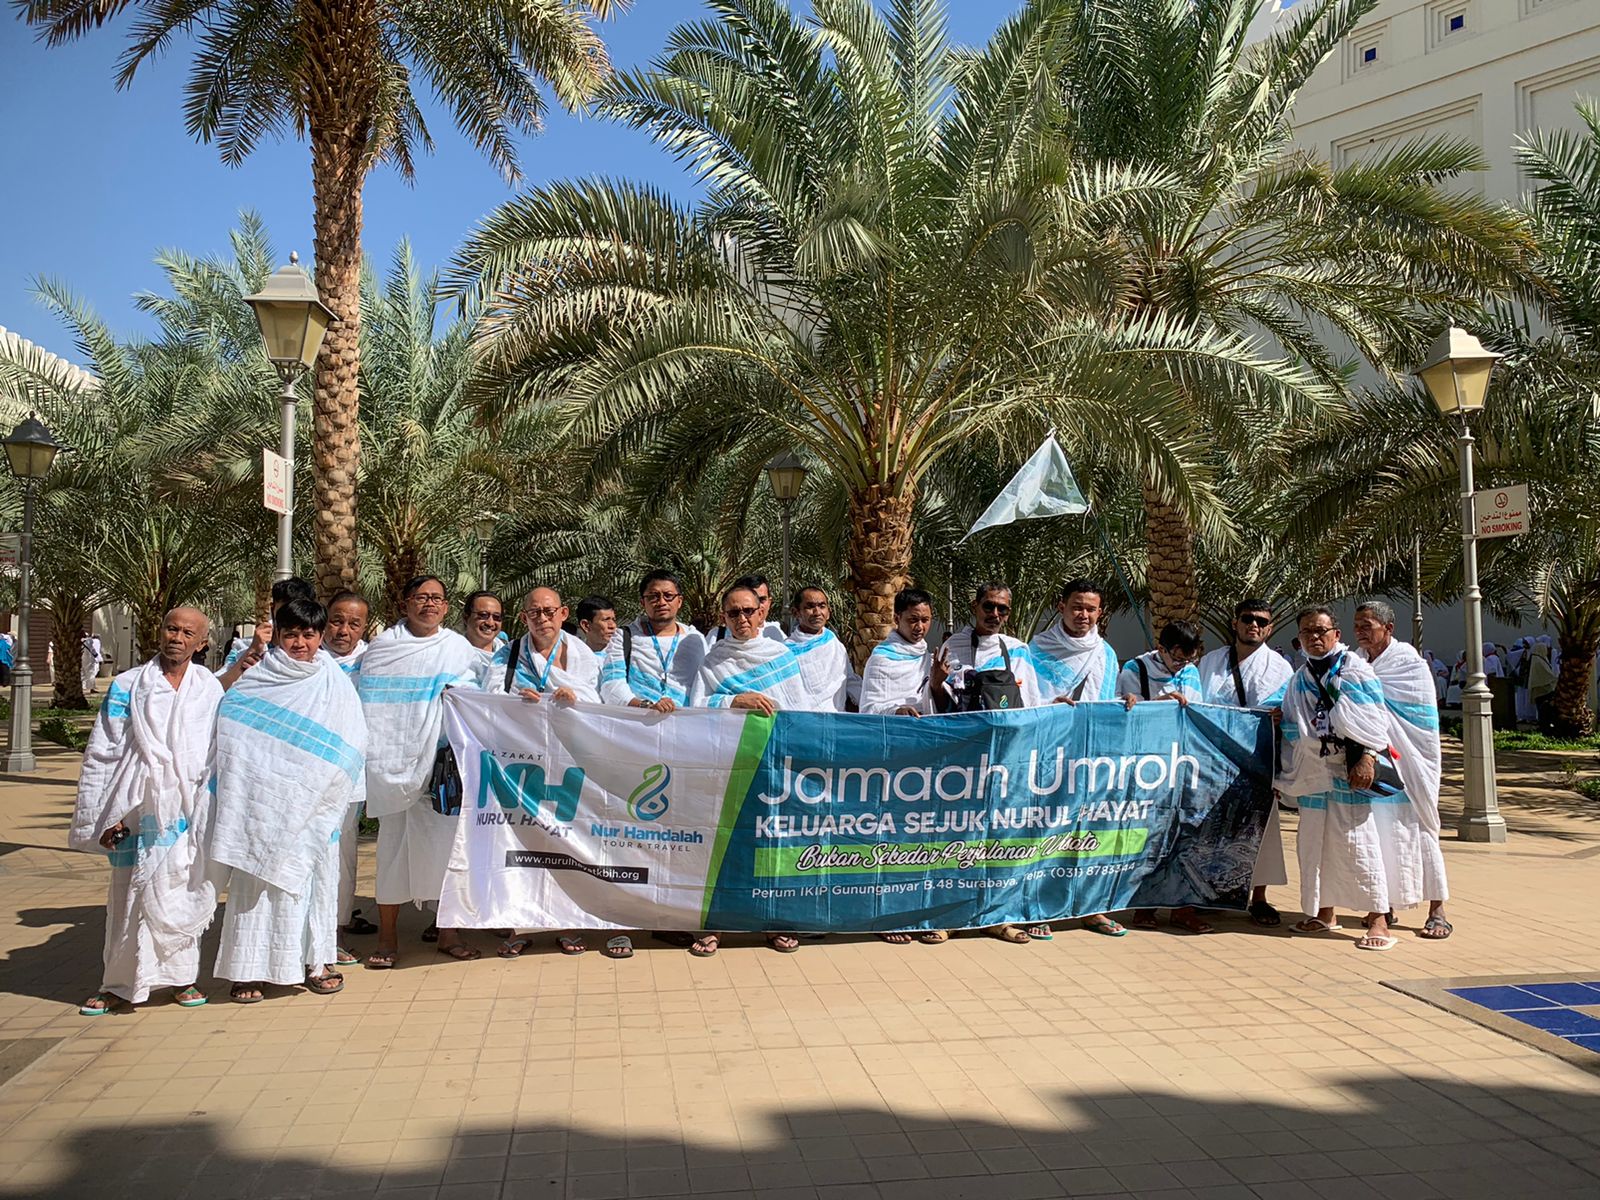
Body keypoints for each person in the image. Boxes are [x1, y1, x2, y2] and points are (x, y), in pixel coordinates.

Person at [210, 597, 367, 1002]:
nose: (300, 643)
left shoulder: (333, 681)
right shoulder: (257, 678)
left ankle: (318, 961)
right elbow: (233, 734)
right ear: (277, 635)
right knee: (257, 886)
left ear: (320, 636)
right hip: (264, 806)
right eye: (291, 634)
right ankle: (248, 970)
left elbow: (351, 742)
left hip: (316, 807)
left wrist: (315, 787)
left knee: (316, 884)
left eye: (309, 635)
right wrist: (268, 786)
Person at [70, 608, 223, 1015]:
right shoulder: (128, 685)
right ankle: (117, 985)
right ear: (160, 631)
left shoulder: (209, 688)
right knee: (127, 898)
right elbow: (104, 751)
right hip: (135, 807)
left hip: (187, 811)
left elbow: (215, 752)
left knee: (181, 888)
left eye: (187, 632)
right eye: (172, 628)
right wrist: (107, 814)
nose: (177, 637)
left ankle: (182, 979)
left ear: (201, 643)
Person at [484, 588, 621, 960]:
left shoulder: (582, 654)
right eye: (534, 613)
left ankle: (570, 923)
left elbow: (600, 702)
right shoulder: (508, 654)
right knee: (523, 844)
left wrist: (573, 698)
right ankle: (521, 924)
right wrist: (518, 701)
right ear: (524, 618)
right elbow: (490, 696)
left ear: (563, 614)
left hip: (572, 761)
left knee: (569, 842)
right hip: (523, 762)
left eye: (548, 611)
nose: (542, 618)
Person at [358, 575, 484, 968]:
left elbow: (477, 693)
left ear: (446, 607)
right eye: (421, 597)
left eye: (437, 598)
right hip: (391, 766)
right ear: (405, 602)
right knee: (391, 855)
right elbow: (372, 706)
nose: (429, 604)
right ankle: (388, 939)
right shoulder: (383, 649)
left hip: (440, 770)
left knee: (447, 853)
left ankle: (448, 933)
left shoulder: (457, 648)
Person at [1278, 606, 1418, 952]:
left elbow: (1374, 720)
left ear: (1336, 635)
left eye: (1321, 631)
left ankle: (1378, 919)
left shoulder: (1355, 670)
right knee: (1314, 845)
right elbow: (1292, 721)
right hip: (1314, 775)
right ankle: (1324, 913)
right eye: (1307, 632)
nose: (1314, 637)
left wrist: (1367, 757)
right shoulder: (1299, 677)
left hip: (1349, 771)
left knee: (1359, 844)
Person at [688, 584, 814, 955]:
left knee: (773, 845)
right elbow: (695, 707)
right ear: (723, 617)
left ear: (761, 612)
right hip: (729, 767)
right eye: (733, 613)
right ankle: (716, 924)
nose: (742, 618)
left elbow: (799, 710)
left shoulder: (781, 656)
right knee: (726, 846)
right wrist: (733, 700)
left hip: (774, 767)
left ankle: (775, 922)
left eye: (748, 611)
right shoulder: (713, 661)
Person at [933, 584, 1047, 944]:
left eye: (1002, 609)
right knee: (958, 838)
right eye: (988, 606)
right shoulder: (950, 647)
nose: (995, 614)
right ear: (974, 605)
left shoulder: (1017, 650)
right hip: (961, 761)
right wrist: (936, 683)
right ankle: (951, 917)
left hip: (1005, 762)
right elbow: (938, 702)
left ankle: (999, 918)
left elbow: (1032, 706)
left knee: (1000, 840)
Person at [1353, 600, 1452, 941]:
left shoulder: (1409, 663)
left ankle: (1437, 910)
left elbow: (1419, 719)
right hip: (1375, 762)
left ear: (1388, 628)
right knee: (1380, 833)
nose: (1360, 632)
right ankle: (1385, 904)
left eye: (1367, 625)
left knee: (1421, 829)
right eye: (1357, 626)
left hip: (1411, 761)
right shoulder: (1356, 662)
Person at [1197, 600, 1293, 927]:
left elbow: (1286, 714)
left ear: (1270, 628)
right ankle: (1212, 893)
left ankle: (1260, 897)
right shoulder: (1210, 662)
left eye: (1261, 621)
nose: (1254, 625)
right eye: (1248, 619)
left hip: (1258, 760)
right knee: (1213, 829)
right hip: (1213, 758)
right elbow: (1197, 704)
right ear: (1235, 623)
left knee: (1262, 830)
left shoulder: (1279, 668)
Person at [1119, 621, 1209, 934]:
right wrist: (1161, 703)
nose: (1182, 665)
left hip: (1183, 763)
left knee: (1184, 835)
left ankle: (1184, 908)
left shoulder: (1190, 672)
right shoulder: (1135, 669)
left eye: (1189, 659)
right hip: (1148, 767)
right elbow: (1126, 711)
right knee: (1150, 836)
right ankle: (1144, 907)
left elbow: (1196, 710)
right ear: (1161, 649)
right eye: (1178, 658)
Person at [323, 590, 375, 947]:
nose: (344, 630)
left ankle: (336, 930)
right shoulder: (308, 658)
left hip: (350, 775)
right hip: (308, 773)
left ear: (364, 627)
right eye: (337, 621)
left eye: (354, 624)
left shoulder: (375, 661)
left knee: (342, 850)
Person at [600, 570, 708, 711]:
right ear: (643, 602)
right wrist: (647, 706)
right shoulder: (624, 637)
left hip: (686, 722)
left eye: (668, 596)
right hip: (640, 720)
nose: (661, 602)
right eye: (653, 597)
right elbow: (611, 686)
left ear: (679, 601)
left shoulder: (695, 639)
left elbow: (706, 686)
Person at [1030, 579, 1120, 704]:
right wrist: (1049, 703)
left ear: (1099, 613)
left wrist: (1124, 699)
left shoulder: (1106, 654)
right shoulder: (1038, 649)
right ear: (1062, 607)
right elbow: (1023, 693)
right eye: (1077, 608)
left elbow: (1114, 696)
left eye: (1091, 610)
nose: (1084, 615)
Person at [859, 588, 936, 718]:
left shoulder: (928, 659)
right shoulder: (881, 660)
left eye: (925, 620)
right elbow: (869, 709)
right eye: (913, 620)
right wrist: (896, 711)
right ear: (896, 618)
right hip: (895, 727)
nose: (920, 627)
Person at [786, 586, 853, 712]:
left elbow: (849, 679)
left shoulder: (834, 643)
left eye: (822, 606)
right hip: (803, 719)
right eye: (810, 607)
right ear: (796, 612)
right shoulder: (786, 651)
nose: (817, 612)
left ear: (828, 612)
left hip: (837, 717)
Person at [461, 590, 507, 660]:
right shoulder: (452, 654)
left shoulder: (511, 656)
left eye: (496, 617)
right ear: (466, 618)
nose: (490, 623)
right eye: (483, 615)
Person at [80, 628, 103, 696]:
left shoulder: (78, 641)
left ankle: (82, 687)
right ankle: (91, 688)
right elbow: (92, 649)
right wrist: (96, 656)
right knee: (91, 673)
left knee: (82, 673)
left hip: (81, 658)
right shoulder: (89, 641)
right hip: (89, 658)